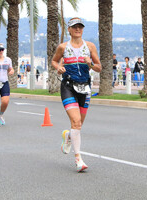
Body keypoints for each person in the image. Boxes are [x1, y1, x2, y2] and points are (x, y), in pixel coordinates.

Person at [51, 17, 102, 172]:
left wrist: (90, 63)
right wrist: (58, 67)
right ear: (69, 30)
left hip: (85, 87)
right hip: (68, 86)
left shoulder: (90, 47)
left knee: (78, 125)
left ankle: (68, 136)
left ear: (83, 29)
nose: (77, 29)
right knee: (76, 121)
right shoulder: (63, 47)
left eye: (80, 27)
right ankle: (78, 159)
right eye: (74, 27)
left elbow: (99, 67)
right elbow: (54, 61)